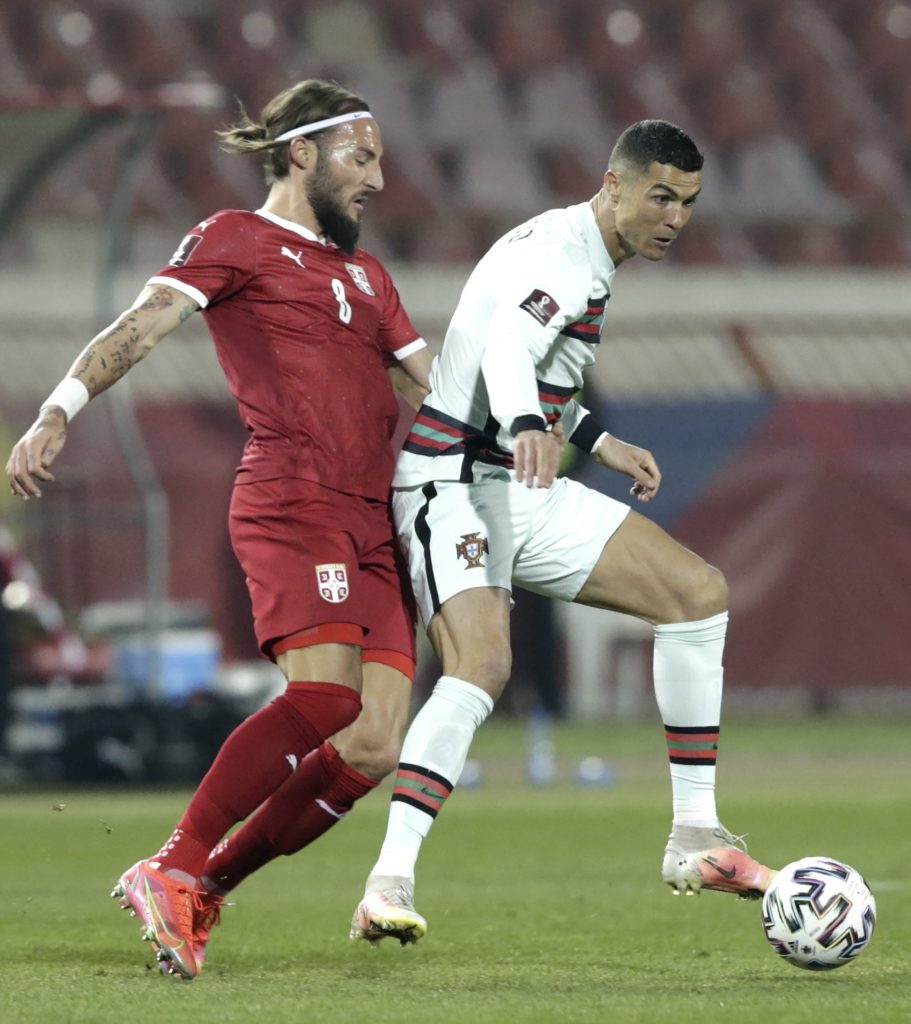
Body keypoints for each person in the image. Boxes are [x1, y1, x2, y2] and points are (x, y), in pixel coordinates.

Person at [6, 79, 432, 979]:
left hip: (372, 517)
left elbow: (436, 390)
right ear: (302, 153)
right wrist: (57, 409)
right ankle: (172, 861)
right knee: (328, 700)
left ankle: (201, 885)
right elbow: (143, 323)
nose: (377, 178)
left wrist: (562, 432)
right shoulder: (235, 237)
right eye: (361, 157)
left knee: (374, 743)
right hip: (295, 499)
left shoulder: (368, 275)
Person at [350, 120, 777, 946]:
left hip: (518, 482)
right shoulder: (561, 258)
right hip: (453, 483)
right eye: (660, 196)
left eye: (687, 202)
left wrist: (596, 439)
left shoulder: (575, 250)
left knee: (696, 595)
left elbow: (521, 358)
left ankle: (694, 835)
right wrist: (523, 423)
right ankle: (387, 881)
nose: (674, 218)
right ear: (613, 184)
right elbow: (508, 347)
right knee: (482, 665)